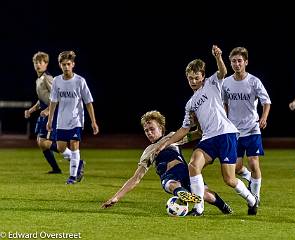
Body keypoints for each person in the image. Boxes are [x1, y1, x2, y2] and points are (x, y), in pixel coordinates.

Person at [155, 45, 258, 216]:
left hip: (225, 134)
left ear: (203, 76)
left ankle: (251, 199)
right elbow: (184, 129)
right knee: (194, 166)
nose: (193, 81)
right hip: (209, 138)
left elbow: (223, 71)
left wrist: (218, 57)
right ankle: (198, 208)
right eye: (190, 78)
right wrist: (165, 143)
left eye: (196, 77)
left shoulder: (212, 83)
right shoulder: (190, 104)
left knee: (229, 180)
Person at [101, 110, 233, 215]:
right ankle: (183, 194)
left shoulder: (172, 138)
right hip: (168, 176)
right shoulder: (148, 151)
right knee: (171, 184)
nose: (149, 133)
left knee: (207, 196)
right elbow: (136, 178)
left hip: (185, 172)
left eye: (152, 129)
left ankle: (225, 207)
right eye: (146, 130)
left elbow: (198, 133)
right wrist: (116, 197)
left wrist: (197, 119)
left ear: (161, 128)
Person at [222, 47, 271, 204]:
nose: (237, 64)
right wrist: (225, 120)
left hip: (252, 129)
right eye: (234, 61)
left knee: (253, 162)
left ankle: (255, 197)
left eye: (239, 61)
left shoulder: (254, 81)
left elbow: (266, 102)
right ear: (230, 63)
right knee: (236, 168)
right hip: (234, 131)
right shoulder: (226, 83)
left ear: (246, 62)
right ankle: (250, 177)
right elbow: (224, 103)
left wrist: (263, 117)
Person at [47, 50, 99, 184]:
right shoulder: (57, 81)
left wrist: (93, 122)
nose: (66, 67)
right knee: (60, 148)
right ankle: (79, 163)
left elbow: (88, 102)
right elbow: (53, 101)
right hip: (61, 121)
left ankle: (72, 176)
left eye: (68, 64)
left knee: (74, 145)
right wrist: (50, 120)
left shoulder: (80, 81)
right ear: (60, 65)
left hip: (76, 120)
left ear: (73, 64)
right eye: (63, 64)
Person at [24, 51, 72, 174]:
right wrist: (31, 110)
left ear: (46, 64)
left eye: (41, 62)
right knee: (41, 142)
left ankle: (73, 158)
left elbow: (57, 97)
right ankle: (56, 169)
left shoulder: (47, 78)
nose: (38, 64)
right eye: (36, 62)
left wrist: (47, 110)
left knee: (43, 142)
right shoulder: (38, 79)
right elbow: (42, 100)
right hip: (46, 111)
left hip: (53, 113)